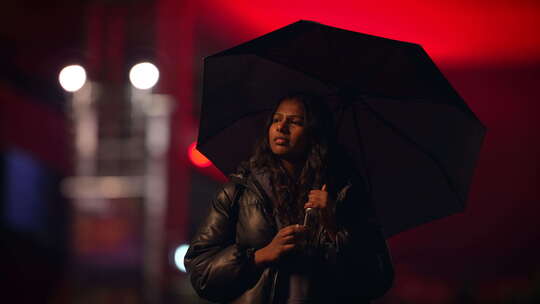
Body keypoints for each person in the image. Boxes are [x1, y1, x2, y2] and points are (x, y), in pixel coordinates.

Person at [185, 94, 394, 303]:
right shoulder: (239, 192)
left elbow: (377, 279)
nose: (281, 127)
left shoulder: (344, 195)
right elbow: (201, 271)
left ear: (315, 133)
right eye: (276, 119)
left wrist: (335, 228)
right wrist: (260, 256)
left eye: (295, 122)